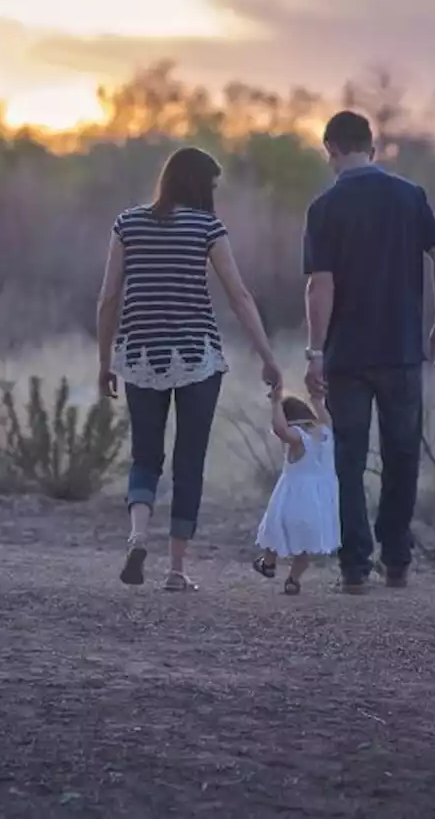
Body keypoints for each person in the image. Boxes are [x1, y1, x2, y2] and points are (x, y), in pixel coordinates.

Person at [97, 146, 282, 592]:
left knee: (145, 455)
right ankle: (176, 570)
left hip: (139, 354)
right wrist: (267, 356)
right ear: (199, 184)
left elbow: (107, 298)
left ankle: (138, 536)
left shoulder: (128, 224)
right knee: (189, 461)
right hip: (196, 357)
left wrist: (105, 362)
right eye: (213, 185)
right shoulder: (207, 227)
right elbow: (239, 297)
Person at [302, 110, 435, 594]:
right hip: (401, 350)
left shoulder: (324, 207)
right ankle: (397, 561)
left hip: (347, 355)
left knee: (347, 459)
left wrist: (314, 352)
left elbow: (319, 286)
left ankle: (354, 567)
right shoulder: (409, 196)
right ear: (372, 146)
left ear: (330, 148)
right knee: (402, 454)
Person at [251, 385, 340, 595]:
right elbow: (325, 417)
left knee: (275, 526)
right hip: (320, 500)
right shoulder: (327, 432)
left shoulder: (299, 439)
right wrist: (317, 400)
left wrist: (275, 403)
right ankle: (293, 579)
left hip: (294, 495)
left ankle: (269, 563)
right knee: (305, 544)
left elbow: (281, 429)